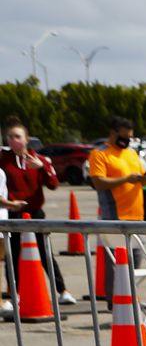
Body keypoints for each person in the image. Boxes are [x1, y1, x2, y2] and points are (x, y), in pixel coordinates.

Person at [2, 117, 77, 305]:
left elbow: (53, 184)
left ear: (27, 139)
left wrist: (42, 169)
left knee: (45, 253)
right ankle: (14, 294)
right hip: (13, 213)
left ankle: (63, 290)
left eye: (17, 136)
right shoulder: (3, 160)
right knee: (13, 255)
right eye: (9, 137)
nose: (13, 141)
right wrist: (10, 203)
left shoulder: (40, 159)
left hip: (36, 213)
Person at [88, 116, 146, 225]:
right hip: (114, 217)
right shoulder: (99, 153)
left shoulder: (131, 153)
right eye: (124, 136)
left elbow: (141, 181)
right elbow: (98, 183)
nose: (127, 140)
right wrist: (126, 179)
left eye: (130, 137)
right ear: (113, 133)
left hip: (137, 217)